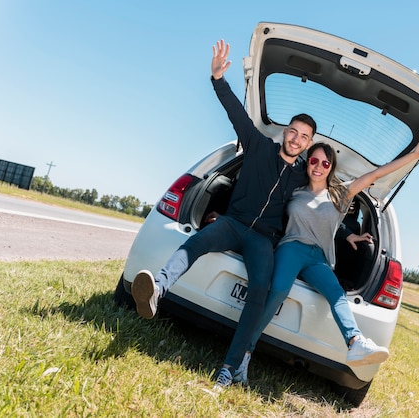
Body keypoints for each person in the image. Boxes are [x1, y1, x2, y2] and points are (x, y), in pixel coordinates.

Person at [130, 39, 315, 388]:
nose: (296, 138)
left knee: (260, 290)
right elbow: (236, 113)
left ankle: (229, 369)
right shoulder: (260, 146)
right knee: (197, 242)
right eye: (293, 131)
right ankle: (157, 288)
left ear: (307, 143)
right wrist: (218, 79)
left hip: (263, 241)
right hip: (233, 224)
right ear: (286, 132)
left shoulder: (303, 178)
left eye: (303, 137)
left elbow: (328, 200)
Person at [226, 134, 419, 386]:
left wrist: (416, 154)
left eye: (325, 163)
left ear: (331, 168)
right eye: (313, 161)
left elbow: (376, 175)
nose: (318, 167)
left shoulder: (340, 193)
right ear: (307, 164)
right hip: (291, 248)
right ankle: (245, 354)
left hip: (319, 256)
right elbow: (263, 202)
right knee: (278, 290)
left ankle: (356, 342)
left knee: (337, 294)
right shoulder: (294, 190)